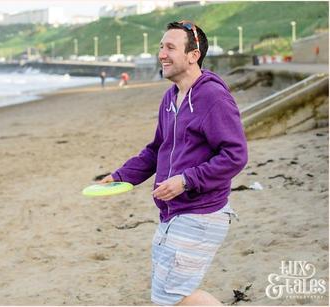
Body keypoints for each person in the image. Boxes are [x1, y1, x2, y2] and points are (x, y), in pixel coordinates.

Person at [100, 20, 248, 305]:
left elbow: (235, 155)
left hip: (201, 213)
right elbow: (157, 149)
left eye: (170, 47)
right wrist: (122, 175)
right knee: (170, 294)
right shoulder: (170, 97)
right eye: (160, 47)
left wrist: (186, 180)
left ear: (193, 55)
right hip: (173, 212)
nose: (162, 54)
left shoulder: (213, 97)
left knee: (169, 296)